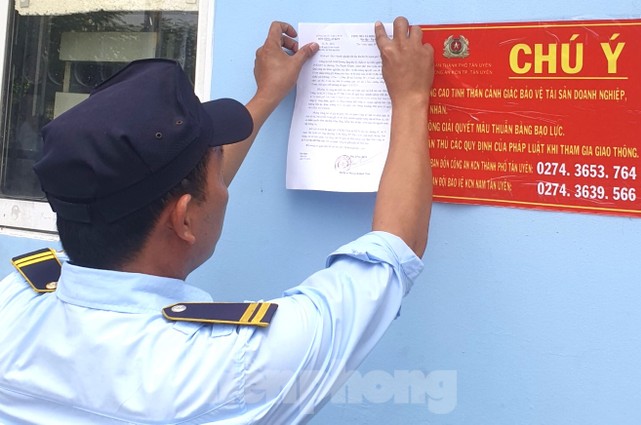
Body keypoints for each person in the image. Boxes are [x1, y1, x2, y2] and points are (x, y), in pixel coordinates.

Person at [0, 16, 434, 424]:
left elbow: (165, 198)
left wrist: (266, 96)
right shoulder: (230, 368)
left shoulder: (15, 304)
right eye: (217, 166)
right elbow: (392, 254)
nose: (224, 186)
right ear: (184, 220)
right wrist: (412, 97)